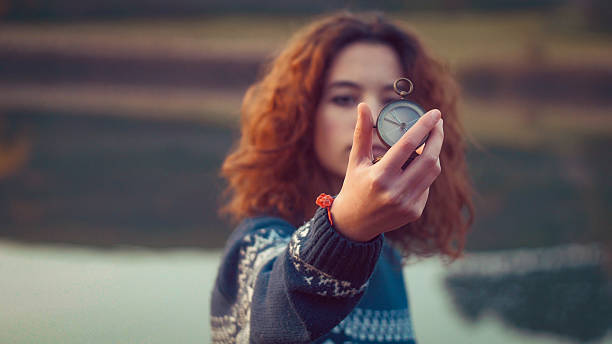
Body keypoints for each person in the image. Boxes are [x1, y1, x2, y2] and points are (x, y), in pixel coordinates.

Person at [210, 11, 474, 344]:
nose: (375, 117)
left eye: (393, 101)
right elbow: (269, 323)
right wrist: (346, 228)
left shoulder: (383, 252)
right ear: (301, 117)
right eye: (344, 98)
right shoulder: (257, 240)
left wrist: (358, 232)